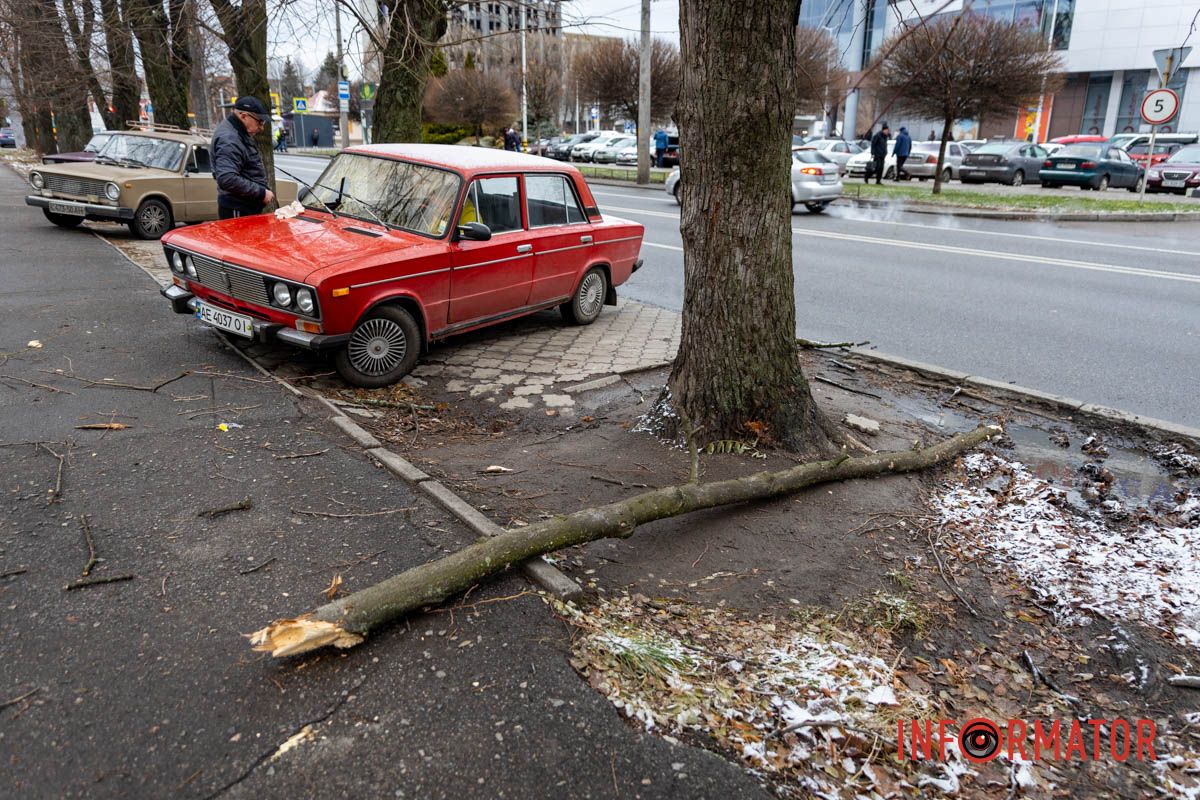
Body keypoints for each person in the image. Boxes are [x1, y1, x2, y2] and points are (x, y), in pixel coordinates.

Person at [211, 95, 273, 220]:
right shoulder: (229, 139)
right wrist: (261, 193)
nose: (261, 127)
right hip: (238, 210)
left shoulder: (237, 132)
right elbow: (227, 178)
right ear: (244, 116)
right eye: (259, 121)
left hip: (242, 208)